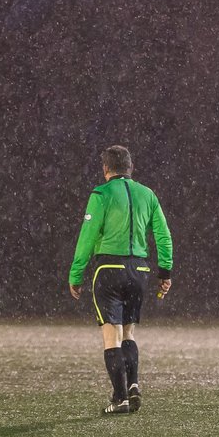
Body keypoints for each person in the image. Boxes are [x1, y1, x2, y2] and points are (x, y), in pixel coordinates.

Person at [68, 145, 173, 414]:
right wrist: (165, 272)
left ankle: (119, 398)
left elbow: (87, 237)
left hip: (109, 269)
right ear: (130, 167)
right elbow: (163, 235)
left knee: (110, 336)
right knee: (128, 333)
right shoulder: (147, 194)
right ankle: (133, 384)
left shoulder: (101, 194)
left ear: (105, 169)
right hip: (139, 271)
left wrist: (76, 274)